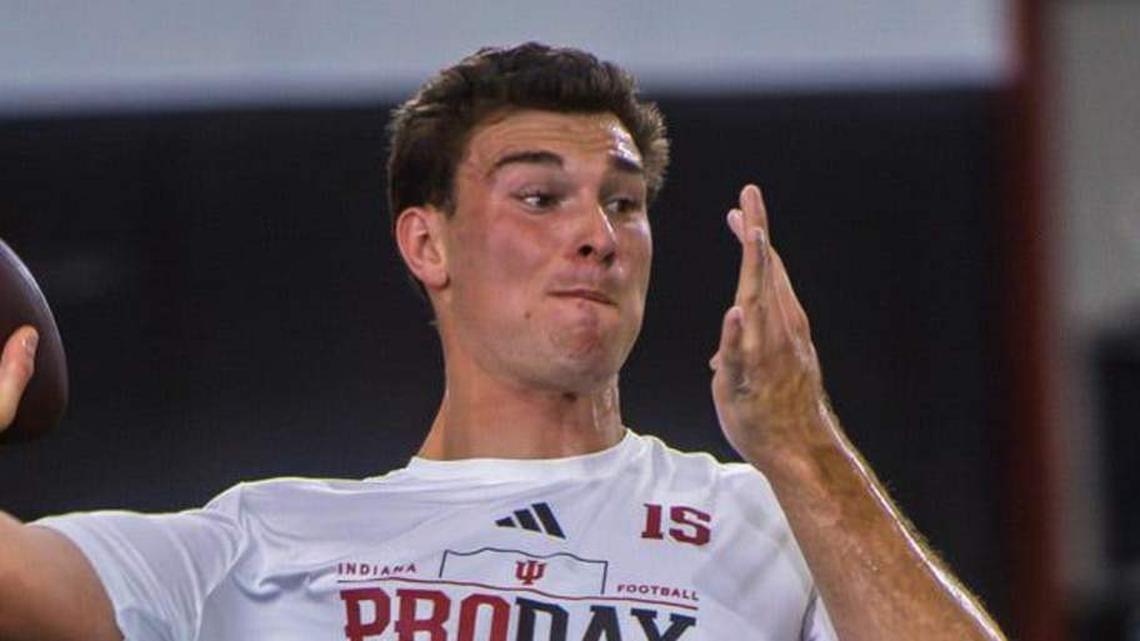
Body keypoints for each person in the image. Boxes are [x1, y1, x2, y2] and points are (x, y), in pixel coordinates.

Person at [0, 43, 1006, 641]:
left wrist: (804, 445)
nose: (596, 233)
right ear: (427, 241)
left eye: (623, 202)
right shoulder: (266, 540)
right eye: (539, 196)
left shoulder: (762, 516)